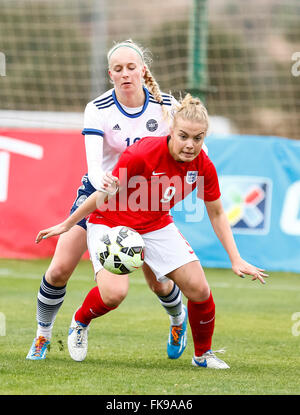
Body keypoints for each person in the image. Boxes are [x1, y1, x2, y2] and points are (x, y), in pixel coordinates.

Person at [36, 93, 268, 369]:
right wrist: (67, 224)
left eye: (198, 138)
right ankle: (80, 322)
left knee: (199, 288)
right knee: (113, 294)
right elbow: (103, 194)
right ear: (171, 130)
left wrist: (235, 258)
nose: (190, 145)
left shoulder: (203, 165)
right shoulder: (142, 153)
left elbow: (217, 213)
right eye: (183, 136)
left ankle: (202, 355)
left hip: (156, 223)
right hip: (111, 222)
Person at [26, 40, 207, 360]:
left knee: (159, 282)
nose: (126, 74)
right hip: (102, 197)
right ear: (111, 74)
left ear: (143, 70)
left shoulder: (165, 106)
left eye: (132, 67)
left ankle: (177, 319)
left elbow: (191, 150)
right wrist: (105, 186)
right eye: (118, 69)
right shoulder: (98, 108)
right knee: (58, 270)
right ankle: (42, 336)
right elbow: (95, 167)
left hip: (146, 202)